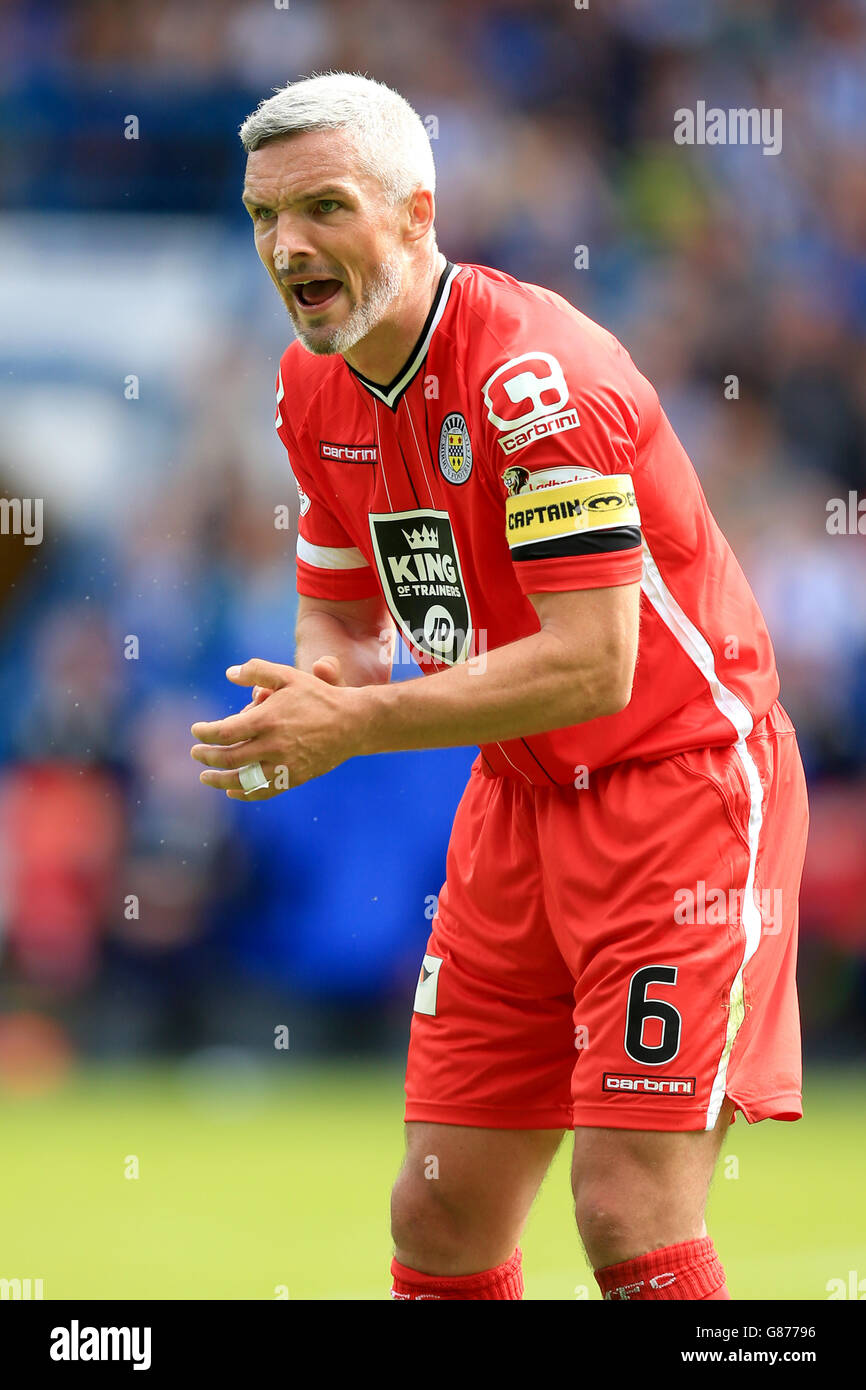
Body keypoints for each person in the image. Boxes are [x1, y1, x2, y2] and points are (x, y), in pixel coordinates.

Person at [190, 72, 809, 1302]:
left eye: (323, 207)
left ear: (417, 211)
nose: (287, 245)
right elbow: (342, 603)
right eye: (265, 216)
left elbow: (597, 661)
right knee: (440, 1210)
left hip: (676, 789)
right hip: (518, 801)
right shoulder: (311, 388)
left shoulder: (536, 383)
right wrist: (315, 695)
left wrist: (357, 722)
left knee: (627, 1209)